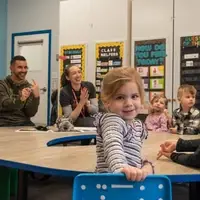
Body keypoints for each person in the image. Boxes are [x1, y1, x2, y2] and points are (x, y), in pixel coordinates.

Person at [94, 66, 154, 181]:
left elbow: (134, 154)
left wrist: (146, 166)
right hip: (110, 184)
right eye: (120, 97)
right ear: (107, 102)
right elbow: (112, 144)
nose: (129, 103)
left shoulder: (137, 125)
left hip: (130, 182)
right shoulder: (112, 120)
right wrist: (121, 167)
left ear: (141, 98)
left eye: (134, 96)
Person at [0, 55, 40, 126]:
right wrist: (20, 99)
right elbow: (5, 105)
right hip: (4, 123)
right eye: (20, 67)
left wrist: (36, 97)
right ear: (11, 68)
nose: (23, 70)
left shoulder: (29, 87)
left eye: (25, 67)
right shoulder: (2, 84)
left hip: (23, 124)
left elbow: (30, 113)